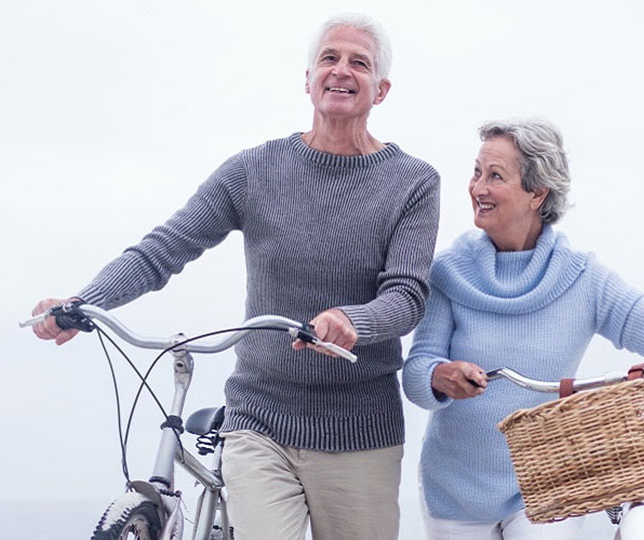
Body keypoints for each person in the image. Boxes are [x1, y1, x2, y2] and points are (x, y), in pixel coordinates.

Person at [32, 14, 440, 540]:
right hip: (260, 419)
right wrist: (84, 302)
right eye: (329, 59)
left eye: (359, 63)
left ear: (380, 89)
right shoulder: (252, 170)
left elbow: (406, 297)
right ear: (308, 78)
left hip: (360, 430)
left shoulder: (413, 182)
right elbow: (165, 248)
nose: (342, 71)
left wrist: (352, 320)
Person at [401, 118, 644, 540]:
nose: (477, 188)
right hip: (457, 491)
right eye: (476, 172)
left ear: (537, 193)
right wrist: (439, 377)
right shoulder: (451, 272)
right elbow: (417, 373)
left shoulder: (581, 277)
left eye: (495, 176)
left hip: (547, 489)